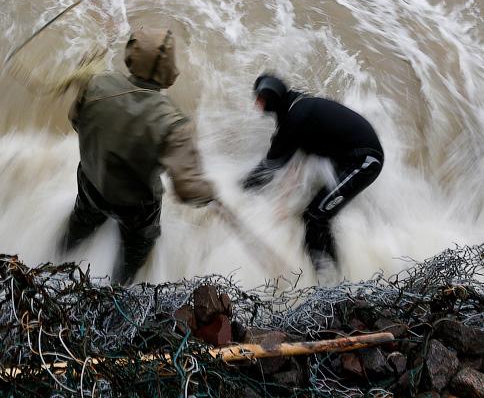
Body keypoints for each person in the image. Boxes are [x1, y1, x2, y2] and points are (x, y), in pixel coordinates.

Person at [59, 27, 217, 285]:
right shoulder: (173, 122)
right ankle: (118, 290)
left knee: (80, 225)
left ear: (131, 54)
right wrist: (209, 192)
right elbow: (188, 190)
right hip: (136, 207)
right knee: (135, 249)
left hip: (90, 183)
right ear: (169, 69)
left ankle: (55, 265)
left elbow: (77, 121)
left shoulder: (97, 83)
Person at [242, 73, 384, 275]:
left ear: (272, 98)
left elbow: (271, 166)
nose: (257, 104)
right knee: (315, 214)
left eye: (260, 99)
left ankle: (331, 283)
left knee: (315, 217)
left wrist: (239, 192)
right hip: (353, 158)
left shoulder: (295, 117)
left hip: (364, 161)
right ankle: (328, 279)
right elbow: (294, 162)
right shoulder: (296, 107)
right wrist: (281, 201)